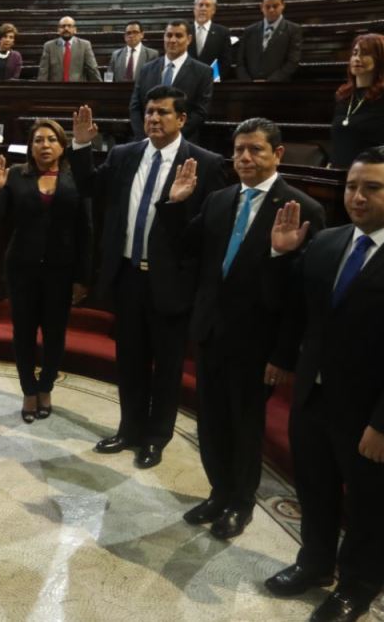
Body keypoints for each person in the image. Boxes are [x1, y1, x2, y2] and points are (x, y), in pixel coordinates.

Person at [265, 145, 384, 622]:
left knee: (369, 507)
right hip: (314, 397)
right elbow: (298, 310)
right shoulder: (327, 241)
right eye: (351, 186)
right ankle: (314, 563)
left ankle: (357, 585)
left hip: (372, 414)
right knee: (314, 489)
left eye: (372, 188)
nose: (356, 197)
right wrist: (282, 256)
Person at [161, 117, 324, 539]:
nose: (245, 158)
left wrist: (284, 354)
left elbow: (303, 296)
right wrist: (176, 205)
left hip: (258, 342)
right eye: (238, 150)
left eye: (255, 149)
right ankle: (219, 492)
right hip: (211, 331)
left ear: (278, 154)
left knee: (245, 425)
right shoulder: (219, 199)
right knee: (211, 420)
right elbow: (185, 250)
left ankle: (241, 501)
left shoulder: (303, 208)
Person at [70, 86, 226, 468]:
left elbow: (210, 231)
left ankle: (156, 438)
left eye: (163, 113)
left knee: (168, 367)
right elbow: (88, 187)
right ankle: (129, 429)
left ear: (182, 119)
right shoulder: (124, 154)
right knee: (129, 360)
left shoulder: (205, 163)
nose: (154, 118)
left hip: (172, 282)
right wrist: (80, 145)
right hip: (127, 276)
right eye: (150, 112)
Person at [0, 117, 91, 422]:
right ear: (30, 147)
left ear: (63, 145)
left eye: (51, 139)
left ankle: (46, 387)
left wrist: (82, 277)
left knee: (55, 334)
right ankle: (29, 391)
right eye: (38, 140)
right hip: (22, 269)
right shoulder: (15, 175)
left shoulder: (77, 177)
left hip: (62, 270)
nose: (45, 145)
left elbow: (86, 230)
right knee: (23, 333)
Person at [330, 34, 384, 170]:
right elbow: (339, 140)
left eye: (365, 54)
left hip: (373, 172)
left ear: (381, 59)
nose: (357, 58)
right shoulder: (343, 95)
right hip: (339, 171)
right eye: (355, 53)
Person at [130, 20, 213, 143]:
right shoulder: (146, 69)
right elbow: (135, 107)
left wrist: (172, 137)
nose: (172, 40)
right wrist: (145, 136)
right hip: (146, 141)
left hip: (183, 142)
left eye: (178, 36)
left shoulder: (203, 72)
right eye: (169, 35)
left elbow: (200, 112)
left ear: (189, 39)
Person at [236, 0, 302, 82]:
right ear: (261, 7)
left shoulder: (293, 30)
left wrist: (269, 82)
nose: (271, 10)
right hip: (250, 85)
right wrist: (248, 82)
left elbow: (292, 62)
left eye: (275, 6)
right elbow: (240, 62)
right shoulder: (249, 31)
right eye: (267, 6)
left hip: (278, 86)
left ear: (283, 5)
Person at [37, 16, 101, 82]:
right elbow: (43, 72)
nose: (66, 28)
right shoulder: (49, 46)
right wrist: (41, 87)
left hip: (78, 87)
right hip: (56, 87)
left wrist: (99, 86)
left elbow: (92, 69)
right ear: (58, 30)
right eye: (63, 26)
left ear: (75, 29)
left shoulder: (85, 45)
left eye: (69, 26)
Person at [189, 0, 232, 79]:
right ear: (194, 8)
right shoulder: (185, 31)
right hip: (187, 81)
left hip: (212, 81)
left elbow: (226, 62)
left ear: (213, 10)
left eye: (207, 5)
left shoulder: (223, 32)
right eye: (200, 5)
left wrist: (213, 79)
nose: (203, 8)